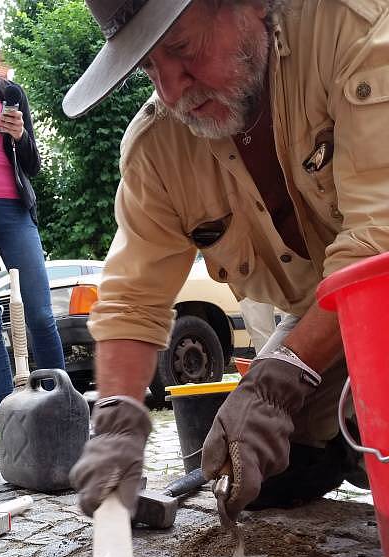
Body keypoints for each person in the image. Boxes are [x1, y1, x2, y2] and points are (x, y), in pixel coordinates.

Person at [64, 0, 387, 519]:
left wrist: (284, 374)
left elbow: (379, 236)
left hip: (381, 283)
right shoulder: (156, 150)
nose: (173, 92)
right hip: (314, 312)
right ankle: (346, 443)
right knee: (269, 469)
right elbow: (132, 298)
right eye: (150, 67)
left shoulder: (351, 29)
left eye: (183, 49)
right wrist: (118, 417)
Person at [0, 0, 65, 408]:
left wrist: (19, 137)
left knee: (40, 313)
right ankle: (11, 413)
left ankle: (61, 406)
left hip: (12, 208)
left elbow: (33, 164)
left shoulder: (10, 91)